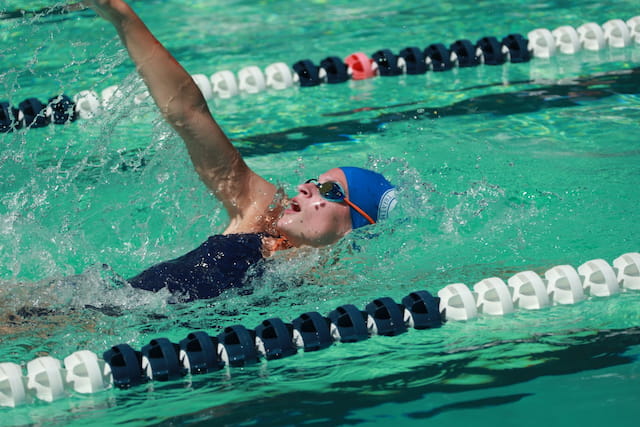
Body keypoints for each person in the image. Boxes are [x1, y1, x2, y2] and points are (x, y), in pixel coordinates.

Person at [82, 0, 397, 301]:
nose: (305, 187)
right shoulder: (263, 215)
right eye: (314, 181)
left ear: (357, 224)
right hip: (91, 307)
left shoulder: (337, 287)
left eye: (329, 190)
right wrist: (119, 12)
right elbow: (188, 113)